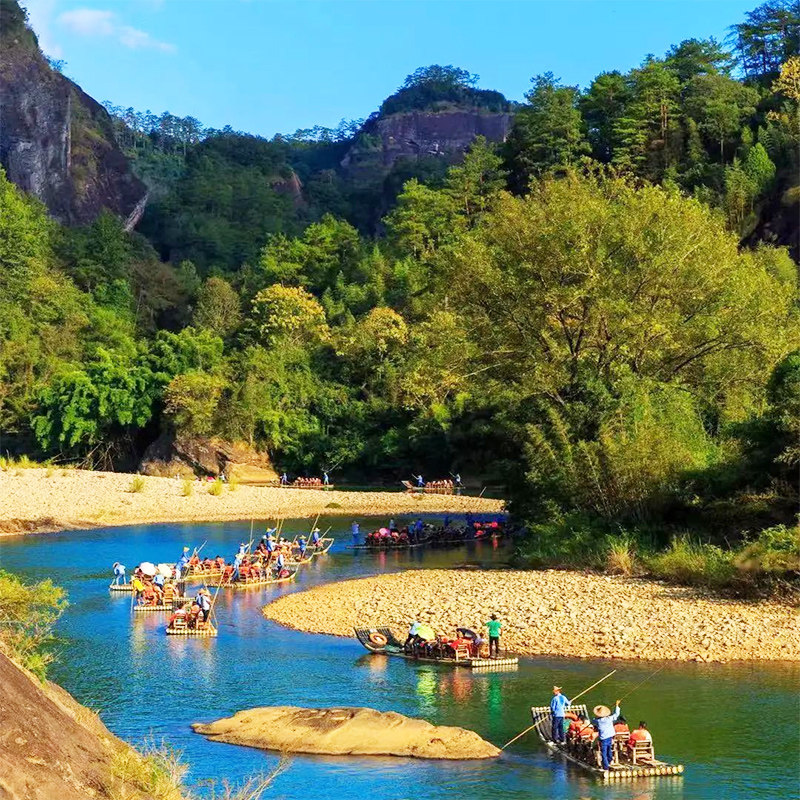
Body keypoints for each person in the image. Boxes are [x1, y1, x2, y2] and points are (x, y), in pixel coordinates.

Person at [592, 701, 622, 770]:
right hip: (610, 737)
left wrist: (595, 718)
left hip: (604, 738)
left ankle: (606, 767)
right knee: (609, 749)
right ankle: (610, 760)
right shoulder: (609, 718)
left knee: (604, 753)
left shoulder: (598, 721)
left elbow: (592, 721)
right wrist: (617, 706)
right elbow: (616, 714)